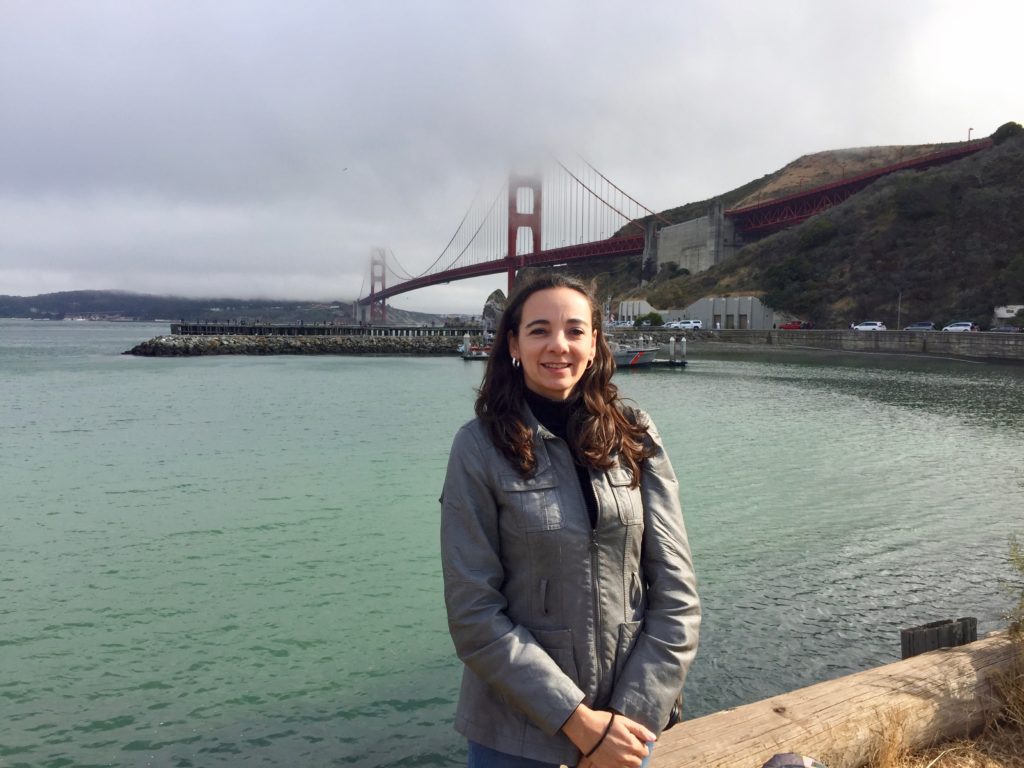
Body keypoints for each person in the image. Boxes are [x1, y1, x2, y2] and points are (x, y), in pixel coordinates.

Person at [440, 273, 701, 768]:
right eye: (539, 330)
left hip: (628, 729)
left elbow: (678, 596)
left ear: (595, 342)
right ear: (513, 343)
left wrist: (629, 718)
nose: (558, 345)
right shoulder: (477, 447)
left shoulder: (635, 434)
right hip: (513, 736)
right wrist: (578, 723)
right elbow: (473, 612)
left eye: (575, 330)